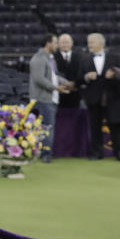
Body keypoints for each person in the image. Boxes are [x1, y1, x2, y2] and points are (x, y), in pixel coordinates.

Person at [78, 33, 120, 161]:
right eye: (89, 42)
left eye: (92, 42)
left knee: (115, 127)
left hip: (112, 98)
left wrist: (112, 77)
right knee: (95, 127)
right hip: (93, 99)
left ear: (101, 44)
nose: (89, 45)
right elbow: (78, 80)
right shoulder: (85, 60)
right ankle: (96, 153)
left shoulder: (115, 58)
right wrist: (86, 77)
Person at [28, 33, 71, 163]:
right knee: (47, 128)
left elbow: (53, 76)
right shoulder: (39, 58)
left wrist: (65, 82)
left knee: (47, 127)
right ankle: (46, 154)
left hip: (50, 98)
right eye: (55, 42)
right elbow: (39, 79)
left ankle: (44, 152)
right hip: (43, 99)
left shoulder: (49, 58)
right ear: (48, 43)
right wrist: (56, 88)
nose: (57, 45)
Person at [54, 33, 82, 109]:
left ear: (72, 43)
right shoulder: (52, 57)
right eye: (63, 42)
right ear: (58, 44)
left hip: (75, 95)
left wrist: (74, 83)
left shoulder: (80, 57)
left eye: (67, 42)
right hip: (58, 95)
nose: (65, 45)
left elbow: (82, 73)